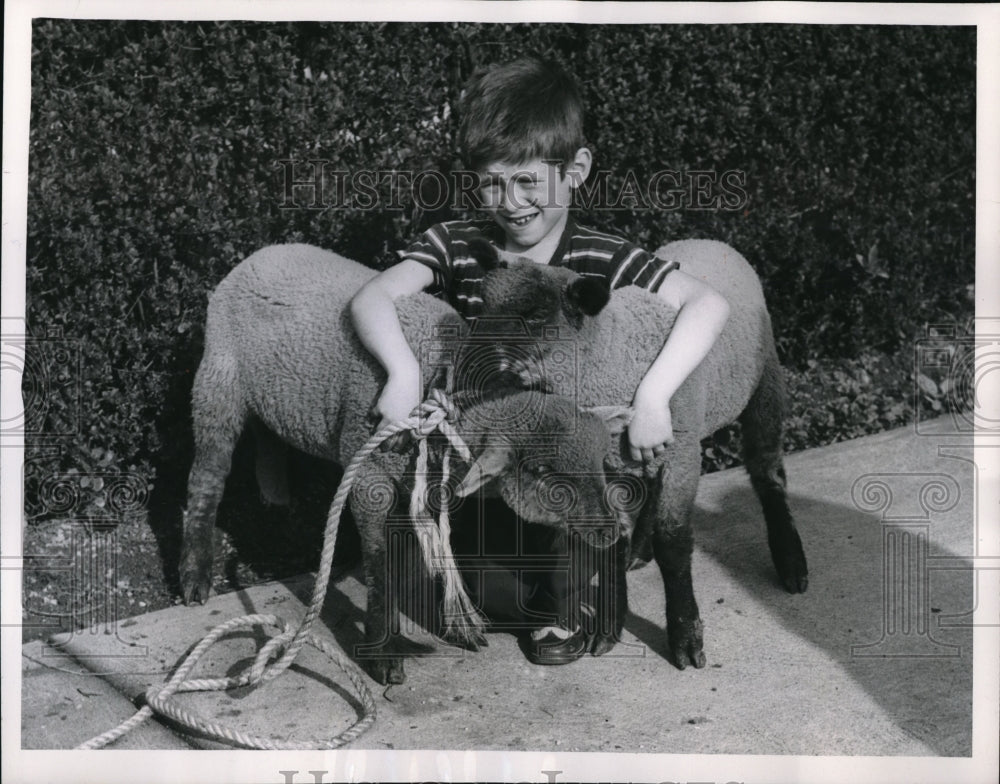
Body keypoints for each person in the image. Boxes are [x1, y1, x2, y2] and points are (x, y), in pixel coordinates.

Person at [349, 56, 730, 664]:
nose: (510, 202)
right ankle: (500, 583)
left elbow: (707, 305)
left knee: (548, 573)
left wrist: (654, 398)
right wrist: (399, 373)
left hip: (560, 458)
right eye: (492, 182)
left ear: (575, 169)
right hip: (486, 447)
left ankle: (567, 589)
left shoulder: (600, 255)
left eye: (529, 182)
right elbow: (373, 295)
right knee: (490, 596)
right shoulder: (460, 243)